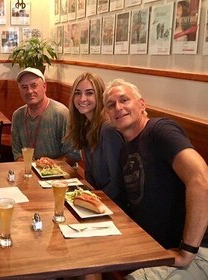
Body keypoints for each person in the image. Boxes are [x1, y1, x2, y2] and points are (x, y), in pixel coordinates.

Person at [103, 79, 208, 279]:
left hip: (196, 251)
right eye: (111, 105)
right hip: (154, 248)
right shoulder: (126, 149)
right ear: (108, 115)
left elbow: (201, 179)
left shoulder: (160, 130)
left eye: (124, 100)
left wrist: (187, 251)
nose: (118, 107)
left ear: (142, 104)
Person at [65, 73, 124, 206]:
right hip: (98, 198)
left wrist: (95, 203)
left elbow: (117, 182)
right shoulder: (87, 126)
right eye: (78, 93)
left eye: (89, 93)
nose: (82, 98)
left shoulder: (108, 129)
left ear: (100, 96)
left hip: (114, 205)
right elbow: (90, 173)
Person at [11, 67, 81, 165]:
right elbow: (17, 153)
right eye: (24, 87)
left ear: (44, 87)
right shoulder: (17, 116)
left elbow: (73, 154)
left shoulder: (61, 113)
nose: (29, 91)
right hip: (29, 173)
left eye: (34, 85)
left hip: (59, 174)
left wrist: (50, 164)